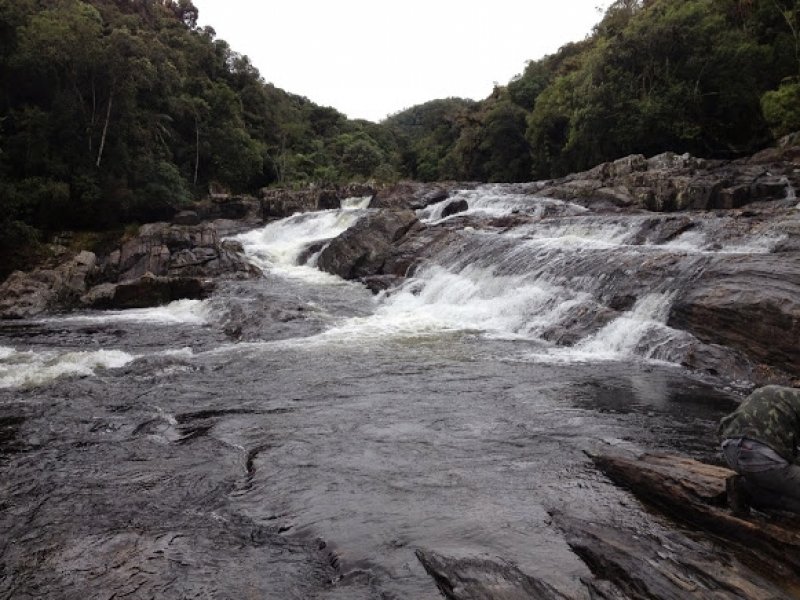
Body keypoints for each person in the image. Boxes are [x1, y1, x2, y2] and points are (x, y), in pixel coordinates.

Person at [718, 385, 800, 515]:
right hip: (760, 456)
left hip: (730, 449)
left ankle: (747, 487)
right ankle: (747, 492)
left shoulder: (781, 392)